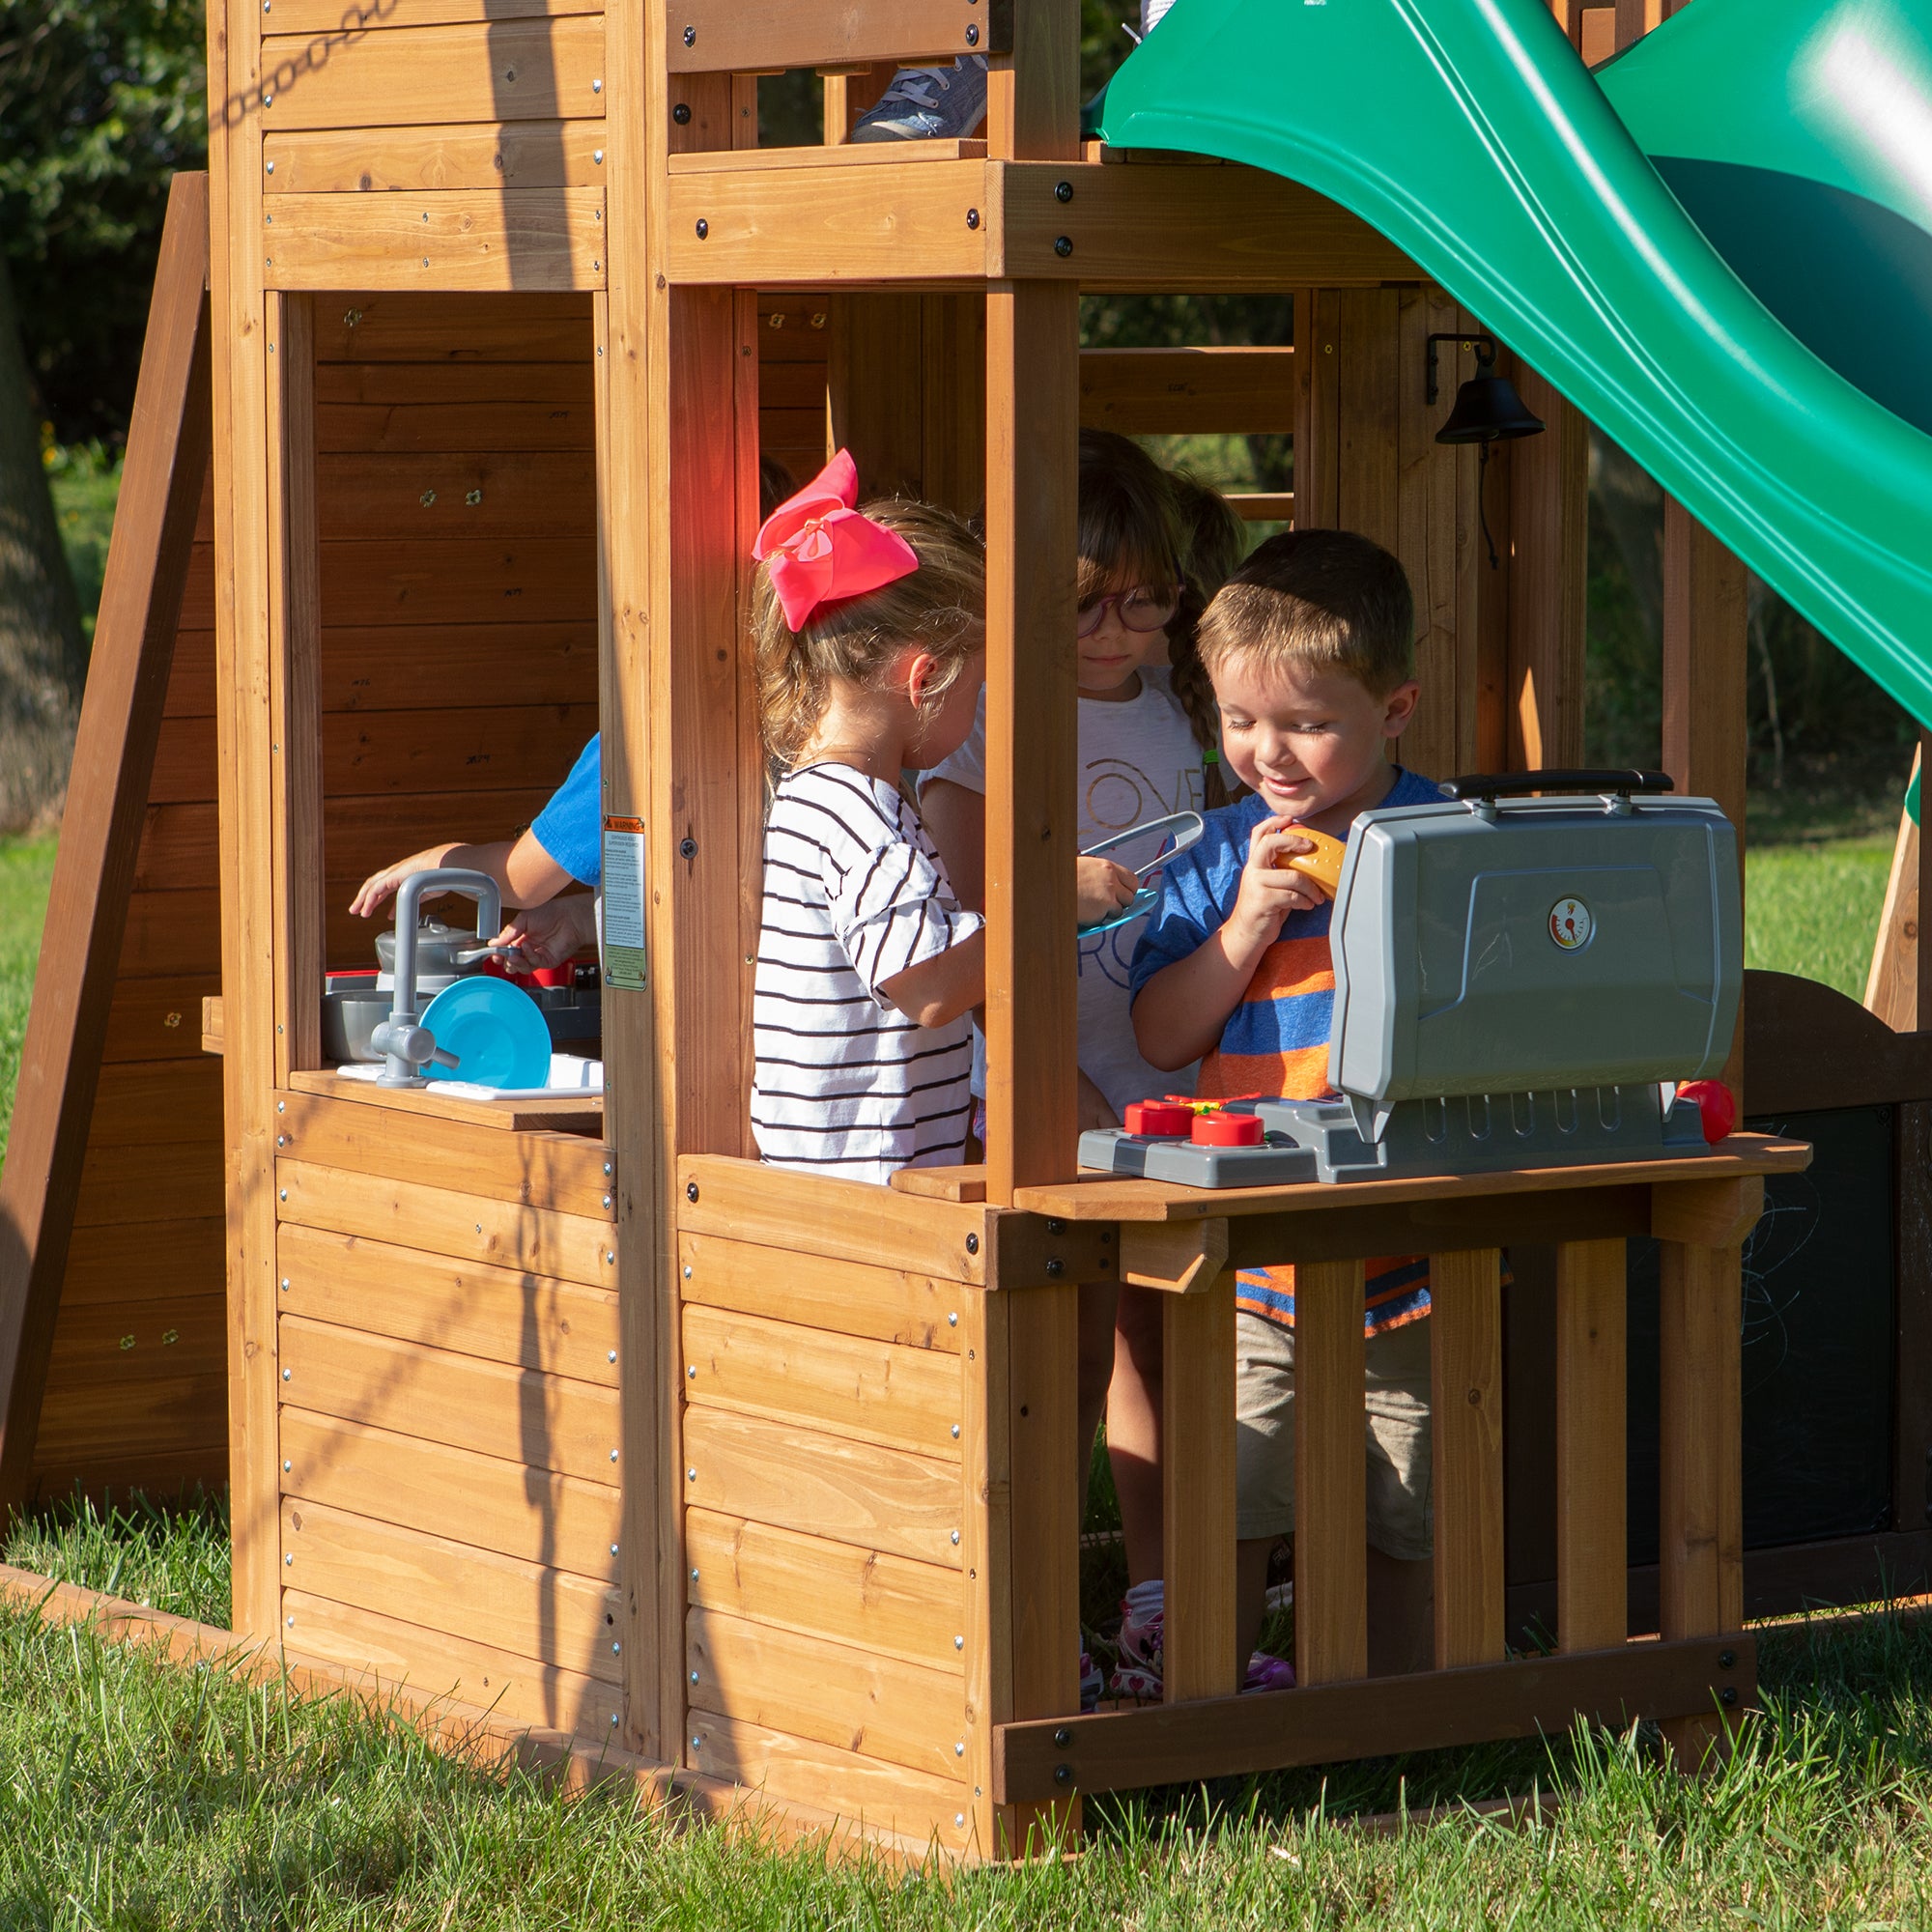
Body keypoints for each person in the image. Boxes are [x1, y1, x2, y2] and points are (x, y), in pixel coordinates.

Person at [922, 432, 1230, 1701]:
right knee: (1057, 1337)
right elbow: (950, 885)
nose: (1116, 629)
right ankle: (1031, 1603)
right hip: (1030, 1064)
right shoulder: (994, 707)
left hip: (1152, 1055)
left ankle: (1155, 1601)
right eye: (1085, 603)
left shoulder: (1172, 706)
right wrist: (1055, 894)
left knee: (1162, 1327)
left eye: (1142, 601)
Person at [1128, 527, 1443, 1693]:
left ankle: (1402, 1707)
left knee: (1405, 1498)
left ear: (1393, 707)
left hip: (1411, 1244)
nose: (1268, 750)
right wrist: (1246, 926)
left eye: (1305, 721)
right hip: (1255, 1251)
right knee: (1239, 1487)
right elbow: (1163, 1033)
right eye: (1240, 721)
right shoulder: (1213, 853)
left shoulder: (1438, 839)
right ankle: (1210, 1712)